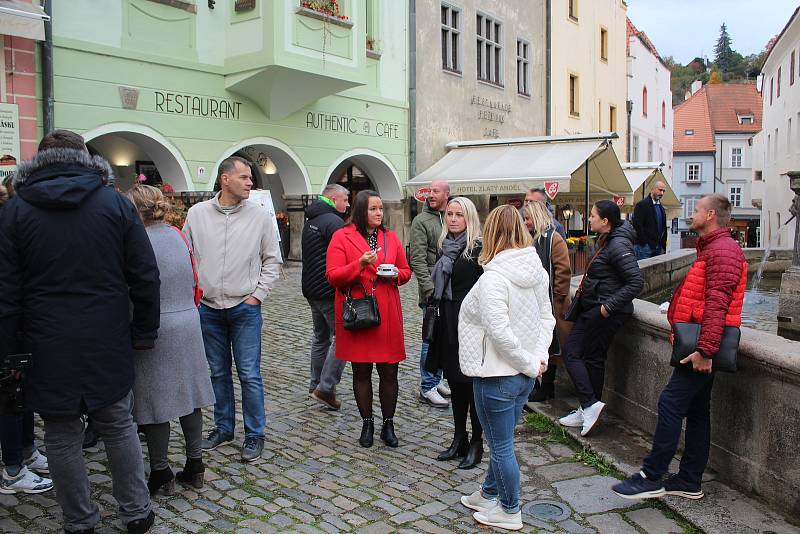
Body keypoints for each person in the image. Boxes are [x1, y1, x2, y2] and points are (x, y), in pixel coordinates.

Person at [0, 130, 159, 533]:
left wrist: (10, 347)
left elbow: (6, 291)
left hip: (46, 339)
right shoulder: (114, 204)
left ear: (40, 161)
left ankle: (80, 520)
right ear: (84, 158)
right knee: (118, 424)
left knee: (61, 432)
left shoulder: (16, 211)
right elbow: (144, 274)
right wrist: (144, 330)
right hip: (106, 333)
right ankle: (136, 512)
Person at [613, 194, 746, 501]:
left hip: (700, 347)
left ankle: (652, 476)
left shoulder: (722, 250)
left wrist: (705, 351)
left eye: (697, 209)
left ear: (711, 214)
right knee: (698, 412)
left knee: (671, 404)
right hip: (699, 343)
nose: (692, 214)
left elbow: (717, 304)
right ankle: (689, 479)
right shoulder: (714, 248)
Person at [458, 205, 555, 531]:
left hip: (497, 376)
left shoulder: (494, 279)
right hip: (524, 376)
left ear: (491, 234)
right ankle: (488, 494)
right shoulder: (537, 271)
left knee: (501, 447)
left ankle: (510, 510)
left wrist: (531, 360)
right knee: (503, 442)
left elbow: (500, 333)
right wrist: (538, 358)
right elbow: (547, 318)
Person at [183, 156, 282, 462]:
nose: (250, 182)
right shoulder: (197, 214)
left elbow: (272, 260)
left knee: (250, 374)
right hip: (208, 309)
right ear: (225, 179)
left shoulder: (260, 216)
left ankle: (255, 434)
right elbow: (186, 257)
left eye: (251, 177)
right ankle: (223, 427)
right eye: (244, 177)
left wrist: (257, 296)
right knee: (217, 372)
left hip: (244, 308)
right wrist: (194, 297)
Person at [125, 185, 215, 496]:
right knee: (190, 397)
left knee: (154, 403)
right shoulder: (179, 235)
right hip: (188, 320)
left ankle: (161, 471)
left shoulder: (135, 241)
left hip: (155, 325)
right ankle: (195, 464)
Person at [326, 190, 412, 448]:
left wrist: (396, 274)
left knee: (389, 372)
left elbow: (406, 271)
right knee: (361, 372)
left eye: (380, 209)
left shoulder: (390, 237)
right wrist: (360, 265)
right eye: (373, 209)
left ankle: (388, 424)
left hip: (386, 312)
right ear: (361, 211)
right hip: (358, 312)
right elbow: (333, 275)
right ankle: (367, 422)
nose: (378, 213)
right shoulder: (342, 237)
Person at [558, 200, 643, 437]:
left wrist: (606, 308)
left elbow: (636, 282)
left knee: (572, 352)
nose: (589, 219)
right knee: (593, 358)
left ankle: (589, 404)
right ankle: (587, 408)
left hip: (602, 310)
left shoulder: (617, 245)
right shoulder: (607, 240)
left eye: (593, 216)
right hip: (596, 306)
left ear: (605, 221)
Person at [0, 181, 53, 496]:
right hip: (7, 329)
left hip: (18, 326)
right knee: (10, 397)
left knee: (21, 394)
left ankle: (27, 450)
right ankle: (12, 469)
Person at [425, 197, 484, 469]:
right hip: (447, 323)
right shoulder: (445, 247)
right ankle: (458, 437)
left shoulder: (477, 249)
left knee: (471, 387)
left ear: (469, 218)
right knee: (456, 385)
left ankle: (476, 442)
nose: (452, 219)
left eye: (459, 214)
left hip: (470, 325)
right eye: (449, 214)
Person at [301, 184, 350, 410]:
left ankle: (315, 385)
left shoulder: (312, 218)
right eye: (345, 200)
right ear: (333, 198)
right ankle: (326, 388)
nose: (347, 205)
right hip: (328, 291)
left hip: (311, 289)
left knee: (321, 338)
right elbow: (344, 256)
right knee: (344, 337)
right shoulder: (333, 222)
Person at [522, 201, 573, 402]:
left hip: (552, 304)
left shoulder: (554, 239)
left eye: (528, 218)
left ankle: (547, 387)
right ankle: (536, 386)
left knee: (551, 347)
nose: (525, 222)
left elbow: (563, 271)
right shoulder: (531, 239)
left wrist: (558, 300)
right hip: (534, 303)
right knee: (536, 345)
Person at [410, 180, 451, 408]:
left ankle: (437, 378)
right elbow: (417, 259)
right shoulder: (421, 221)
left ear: (447, 194)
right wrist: (430, 290)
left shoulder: (450, 217)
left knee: (444, 337)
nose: (431, 194)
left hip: (450, 290)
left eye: (436, 191)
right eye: (430, 191)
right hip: (433, 292)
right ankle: (427, 386)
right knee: (430, 337)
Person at [632, 181, 668, 260]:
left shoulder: (661, 207)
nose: (662, 193)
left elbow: (663, 227)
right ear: (653, 189)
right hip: (644, 247)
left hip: (658, 247)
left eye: (663, 191)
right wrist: (645, 243)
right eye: (660, 190)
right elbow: (637, 225)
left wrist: (663, 246)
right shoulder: (642, 205)